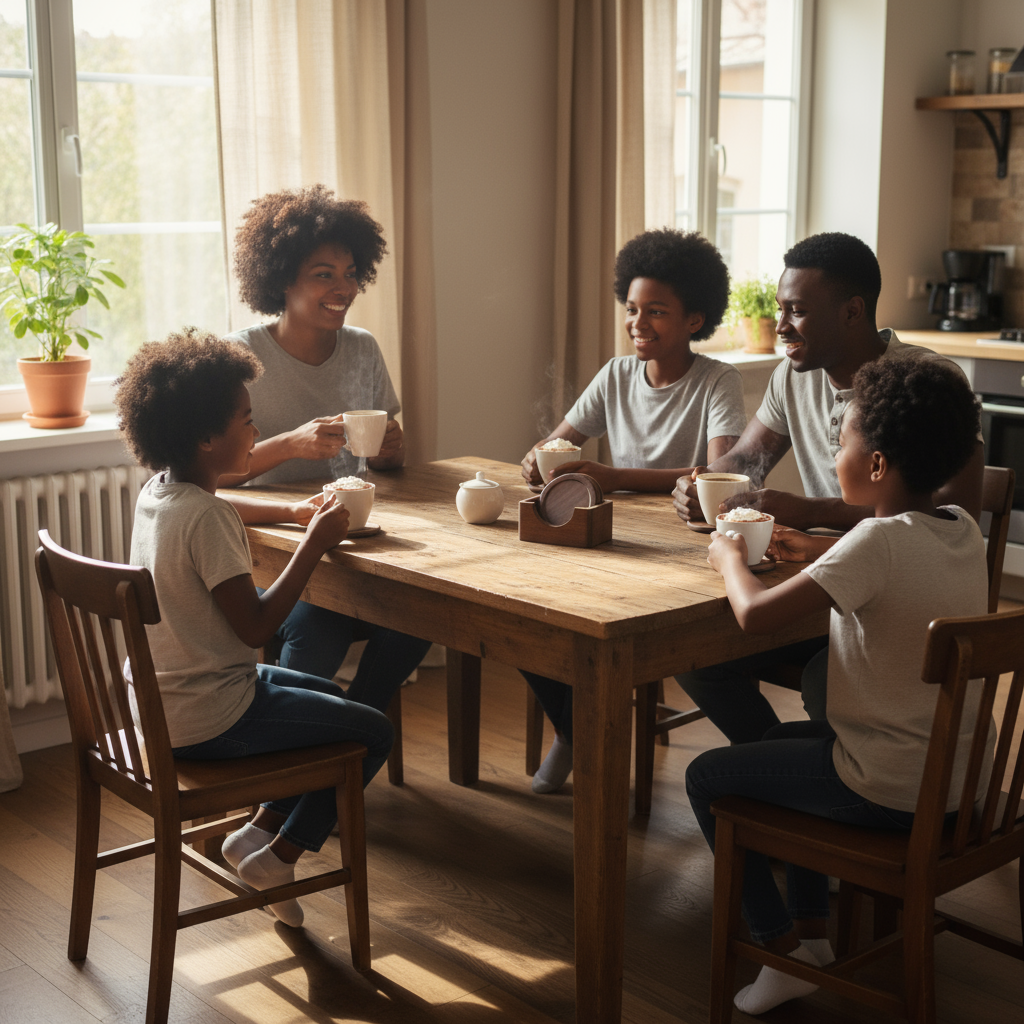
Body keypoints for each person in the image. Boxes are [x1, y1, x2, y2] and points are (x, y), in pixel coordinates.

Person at [686, 356, 990, 1015]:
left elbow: (754, 615)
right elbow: (886, 565)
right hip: (958, 786)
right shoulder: (961, 528)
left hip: (890, 791)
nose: (835, 455)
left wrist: (729, 557)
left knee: (705, 778)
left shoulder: (874, 541)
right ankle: (815, 939)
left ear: (876, 464)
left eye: (843, 442)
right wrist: (812, 550)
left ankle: (781, 950)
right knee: (784, 744)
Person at [116, 329, 394, 927]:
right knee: (373, 731)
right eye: (246, 421)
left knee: (327, 697)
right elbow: (257, 627)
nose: (256, 430)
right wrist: (313, 544)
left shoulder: (160, 493)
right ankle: (280, 856)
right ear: (206, 438)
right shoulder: (207, 521)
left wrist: (292, 510)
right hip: (210, 716)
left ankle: (257, 833)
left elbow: (221, 505)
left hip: (167, 701)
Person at [670, 232, 985, 743]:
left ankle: (828, 777)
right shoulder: (793, 375)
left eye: (796, 311)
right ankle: (769, 764)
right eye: (780, 309)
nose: (780, 326)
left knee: (824, 678)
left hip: (892, 605)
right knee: (691, 652)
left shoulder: (925, 381)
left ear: (852, 311)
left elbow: (951, 512)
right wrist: (703, 485)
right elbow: (746, 460)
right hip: (822, 575)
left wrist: (812, 510)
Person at [520, 228, 747, 793]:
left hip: (685, 549)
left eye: (656, 312)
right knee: (527, 618)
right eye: (631, 309)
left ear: (695, 319)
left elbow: (719, 474)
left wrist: (615, 476)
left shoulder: (717, 380)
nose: (638, 323)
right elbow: (560, 441)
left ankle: (579, 733)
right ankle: (573, 728)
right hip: (615, 544)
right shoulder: (617, 374)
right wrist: (540, 458)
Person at [222, 184, 431, 712]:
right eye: (324, 275)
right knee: (321, 623)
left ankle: (357, 722)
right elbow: (210, 480)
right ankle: (291, 741)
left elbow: (389, 461)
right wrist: (290, 444)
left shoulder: (362, 347)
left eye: (351, 273)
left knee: (427, 612)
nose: (344, 288)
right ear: (281, 278)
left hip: (353, 540)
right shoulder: (240, 359)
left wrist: (390, 450)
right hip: (270, 551)